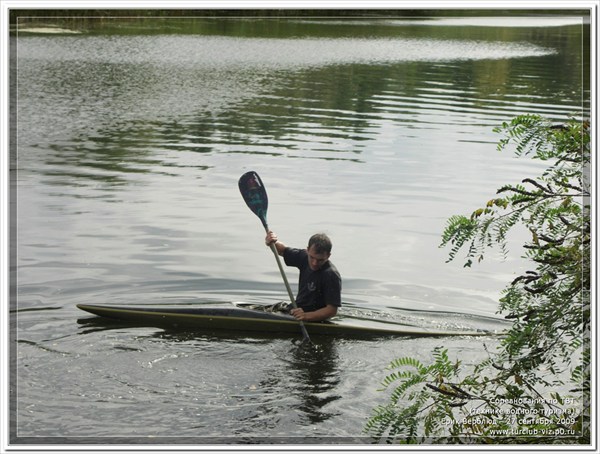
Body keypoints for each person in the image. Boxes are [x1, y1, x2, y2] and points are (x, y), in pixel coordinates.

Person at [265, 231, 341, 322]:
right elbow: (282, 250)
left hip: (314, 317)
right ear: (307, 250)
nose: (314, 263)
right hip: (296, 310)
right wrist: (272, 242)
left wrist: (306, 316)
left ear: (328, 255)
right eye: (312, 257)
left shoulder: (331, 275)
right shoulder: (304, 257)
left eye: (320, 260)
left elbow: (331, 310)